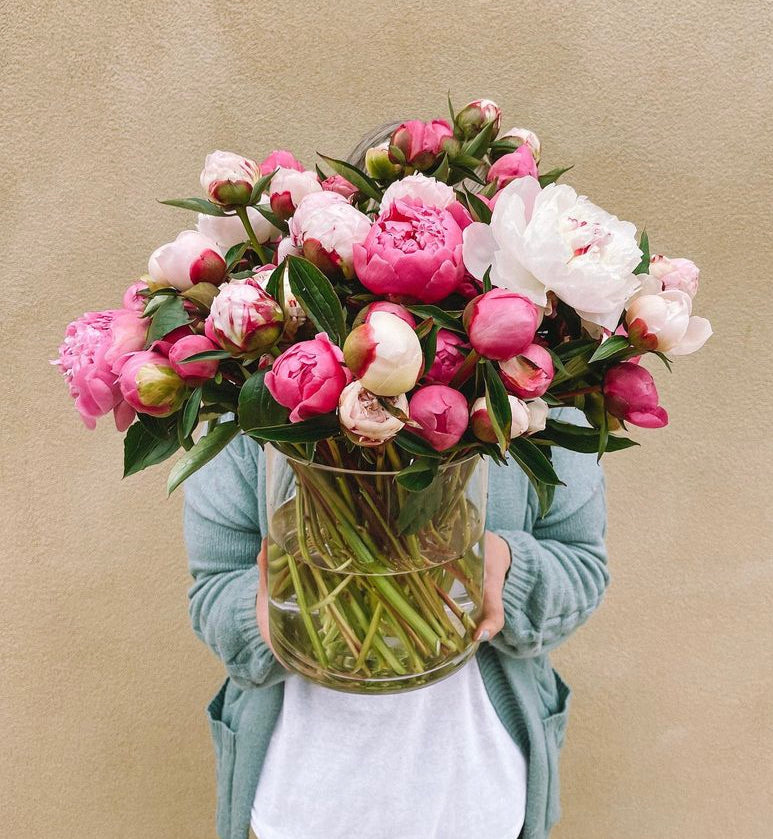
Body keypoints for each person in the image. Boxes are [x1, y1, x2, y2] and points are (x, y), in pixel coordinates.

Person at [183, 128, 609, 839]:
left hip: (477, 797)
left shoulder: (540, 398)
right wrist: (269, 613)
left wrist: (508, 568)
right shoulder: (251, 406)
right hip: (299, 800)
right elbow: (211, 590)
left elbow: (582, 569)